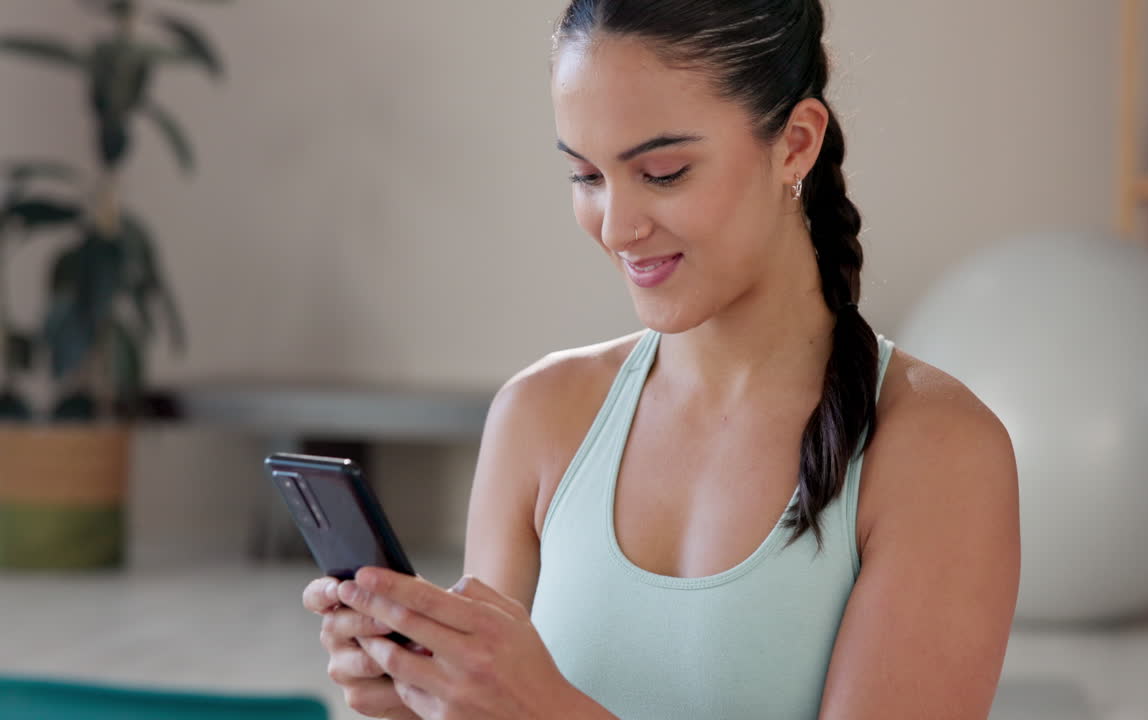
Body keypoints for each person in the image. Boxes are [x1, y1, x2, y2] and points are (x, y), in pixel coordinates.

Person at [301, 1, 1021, 717]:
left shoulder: (939, 452)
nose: (617, 227)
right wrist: (419, 695)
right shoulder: (539, 416)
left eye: (664, 172)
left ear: (796, 144)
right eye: (586, 176)